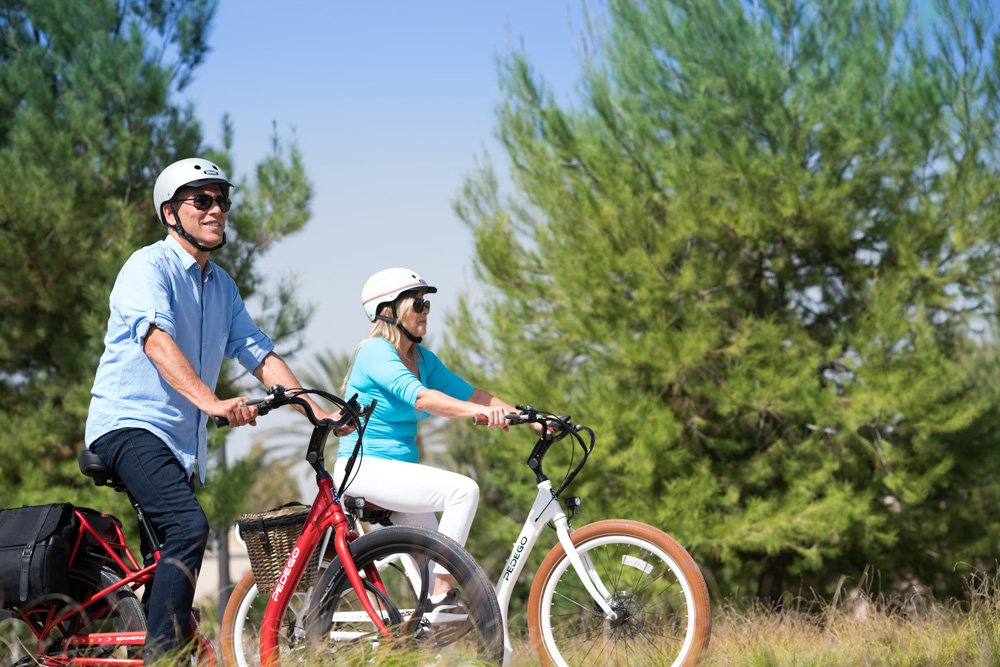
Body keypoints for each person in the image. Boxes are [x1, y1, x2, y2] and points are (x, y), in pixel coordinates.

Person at [85, 157, 347, 661]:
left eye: (221, 200)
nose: (216, 210)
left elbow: (257, 352)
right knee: (188, 529)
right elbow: (155, 340)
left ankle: (169, 644)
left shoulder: (222, 286)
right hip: (130, 426)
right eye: (201, 200)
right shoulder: (147, 267)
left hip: (179, 444)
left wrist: (315, 411)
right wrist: (211, 402)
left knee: (170, 566)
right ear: (170, 212)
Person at [335, 267, 517, 595]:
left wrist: (533, 420)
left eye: (427, 304)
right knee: (463, 492)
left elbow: (473, 394)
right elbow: (421, 397)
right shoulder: (375, 351)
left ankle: (434, 613)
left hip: (398, 474)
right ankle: (443, 590)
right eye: (417, 304)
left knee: (435, 592)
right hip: (365, 468)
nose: (425, 312)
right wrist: (480, 412)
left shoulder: (422, 358)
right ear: (388, 312)